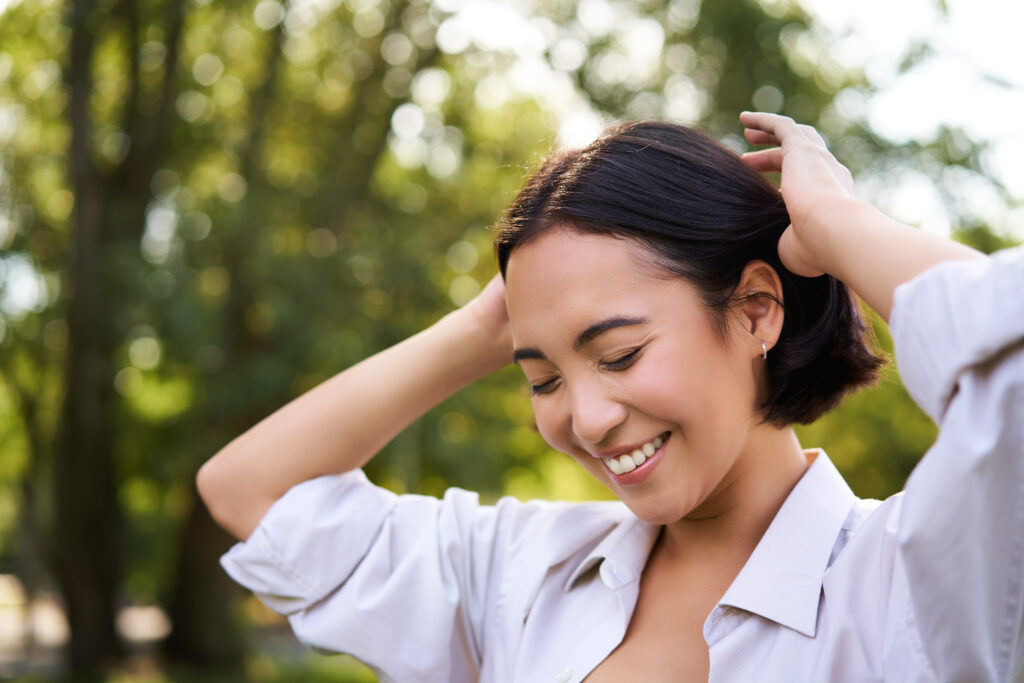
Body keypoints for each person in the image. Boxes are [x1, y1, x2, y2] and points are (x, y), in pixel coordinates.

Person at [197, 112, 1024, 682]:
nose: (585, 419)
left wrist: (838, 224)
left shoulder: (912, 580)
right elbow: (251, 491)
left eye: (620, 353)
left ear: (756, 309)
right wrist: (488, 326)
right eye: (543, 378)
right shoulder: (521, 574)